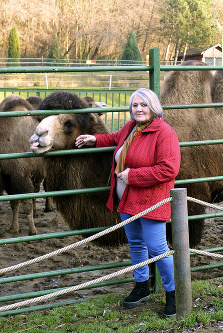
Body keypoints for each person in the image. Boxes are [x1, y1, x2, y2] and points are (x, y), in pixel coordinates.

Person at [75, 88, 181, 318]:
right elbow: (115, 139)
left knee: (158, 248)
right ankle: (141, 286)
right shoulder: (131, 128)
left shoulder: (164, 133)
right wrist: (95, 139)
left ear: (153, 107)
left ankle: (173, 294)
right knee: (135, 243)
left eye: (144, 105)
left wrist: (132, 176)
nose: (139, 109)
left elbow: (169, 168)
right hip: (127, 199)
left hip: (151, 200)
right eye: (135, 105)